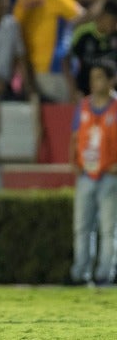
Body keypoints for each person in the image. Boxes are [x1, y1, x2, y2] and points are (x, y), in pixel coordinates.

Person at [69, 59, 117, 286]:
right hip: (86, 175)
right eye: (92, 78)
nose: (93, 82)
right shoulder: (84, 106)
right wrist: (74, 161)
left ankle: (105, 274)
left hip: (110, 175)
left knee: (108, 229)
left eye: (99, 77)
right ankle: (81, 273)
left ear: (111, 80)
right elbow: (75, 135)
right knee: (82, 227)